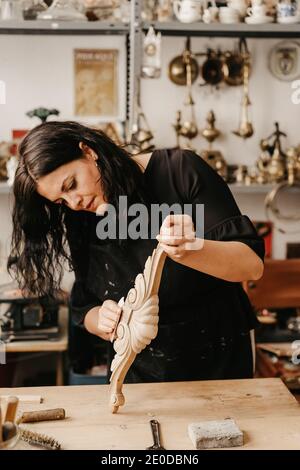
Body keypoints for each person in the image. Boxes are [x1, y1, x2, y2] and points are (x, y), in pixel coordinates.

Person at [8, 121, 264, 383]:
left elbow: (251, 265)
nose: (74, 203)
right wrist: (101, 320)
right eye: (61, 201)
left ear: (88, 152)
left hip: (218, 357)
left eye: (71, 184)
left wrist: (191, 249)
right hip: (137, 370)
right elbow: (84, 306)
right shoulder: (81, 215)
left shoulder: (179, 172)